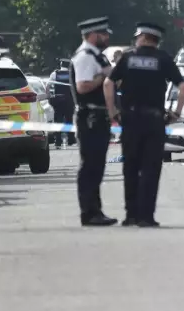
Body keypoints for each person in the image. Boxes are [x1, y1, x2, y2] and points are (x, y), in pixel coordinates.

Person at [104, 22, 184, 227]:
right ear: (156, 40)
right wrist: (176, 113)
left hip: (130, 120)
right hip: (154, 121)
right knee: (151, 169)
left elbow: (108, 84)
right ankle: (146, 217)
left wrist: (113, 112)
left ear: (142, 37)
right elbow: (182, 87)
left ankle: (131, 215)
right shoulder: (164, 59)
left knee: (130, 167)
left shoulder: (128, 57)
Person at [70, 16, 118, 227]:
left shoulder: (97, 56)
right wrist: (104, 76)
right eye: (103, 34)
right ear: (92, 35)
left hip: (98, 116)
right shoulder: (85, 57)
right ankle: (89, 213)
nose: (106, 37)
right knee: (90, 165)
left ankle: (95, 210)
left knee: (97, 165)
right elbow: (82, 87)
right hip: (89, 117)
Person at [48, 59, 76, 148]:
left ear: (61, 64)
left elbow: (49, 86)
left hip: (58, 101)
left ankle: (58, 141)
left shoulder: (54, 74)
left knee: (58, 121)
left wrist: (50, 98)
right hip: (69, 101)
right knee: (69, 120)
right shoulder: (72, 74)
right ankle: (71, 140)